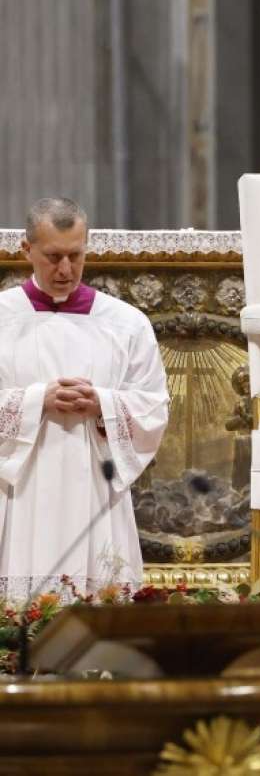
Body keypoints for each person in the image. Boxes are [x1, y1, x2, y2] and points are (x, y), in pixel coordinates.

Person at [0, 198, 168, 599]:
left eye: (75, 256)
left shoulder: (125, 323)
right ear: (26, 251)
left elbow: (153, 405)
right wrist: (37, 399)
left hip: (94, 482)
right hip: (19, 487)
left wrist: (104, 404)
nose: (64, 270)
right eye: (53, 256)